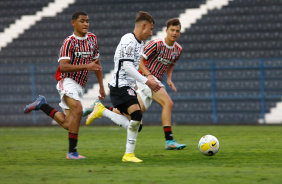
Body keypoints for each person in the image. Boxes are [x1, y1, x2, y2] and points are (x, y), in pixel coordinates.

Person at [85, 18, 186, 150]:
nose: (174, 33)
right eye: (172, 30)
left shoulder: (178, 49)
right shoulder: (155, 44)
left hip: (153, 80)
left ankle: (100, 109)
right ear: (166, 30)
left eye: (177, 31)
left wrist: (169, 78)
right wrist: (148, 77)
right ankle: (169, 140)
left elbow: (171, 64)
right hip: (146, 78)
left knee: (135, 119)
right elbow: (140, 62)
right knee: (168, 103)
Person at [24, 11, 105, 159]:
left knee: (69, 123)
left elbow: (96, 64)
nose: (86, 24)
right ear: (73, 23)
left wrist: (101, 86)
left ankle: (42, 105)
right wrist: (86, 66)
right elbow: (63, 67)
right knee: (79, 110)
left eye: (87, 21)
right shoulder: (69, 42)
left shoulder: (92, 39)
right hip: (66, 80)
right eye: (82, 21)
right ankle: (72, 152)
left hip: (80, 85)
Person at [87, 11, 160, 163]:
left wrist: (137, 86)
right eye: (150, 29)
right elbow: (127, 67)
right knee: (137, 117)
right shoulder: (128, 39)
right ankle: (128, 155)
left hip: (128, 87)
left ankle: (102, 110)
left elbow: (133, 66)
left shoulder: (140, 43)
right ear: (144, 26)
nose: (151, 33)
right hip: (119, 86)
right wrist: (148, 81)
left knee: (136, 125)